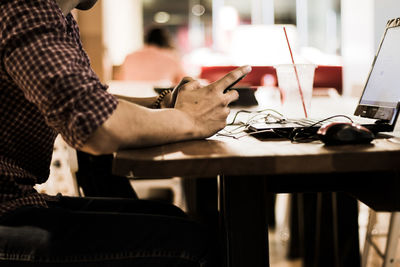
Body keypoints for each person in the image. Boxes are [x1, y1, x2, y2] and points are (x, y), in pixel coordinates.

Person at [0, 0, 251, 266]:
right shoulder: (26, 7)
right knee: (195, 244)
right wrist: (189, 119)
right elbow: (96, 125)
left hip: (17, 200)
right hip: (7, 211)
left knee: (172, 217)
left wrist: (164, 104)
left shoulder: (58, 17)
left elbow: (90, 101)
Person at [118, 27, 186, 85]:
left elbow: (121, 81)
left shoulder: (129, 57)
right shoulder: (172, 58)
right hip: (159, 99)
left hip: (130, 98)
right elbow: (184, 84)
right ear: (166, 40)